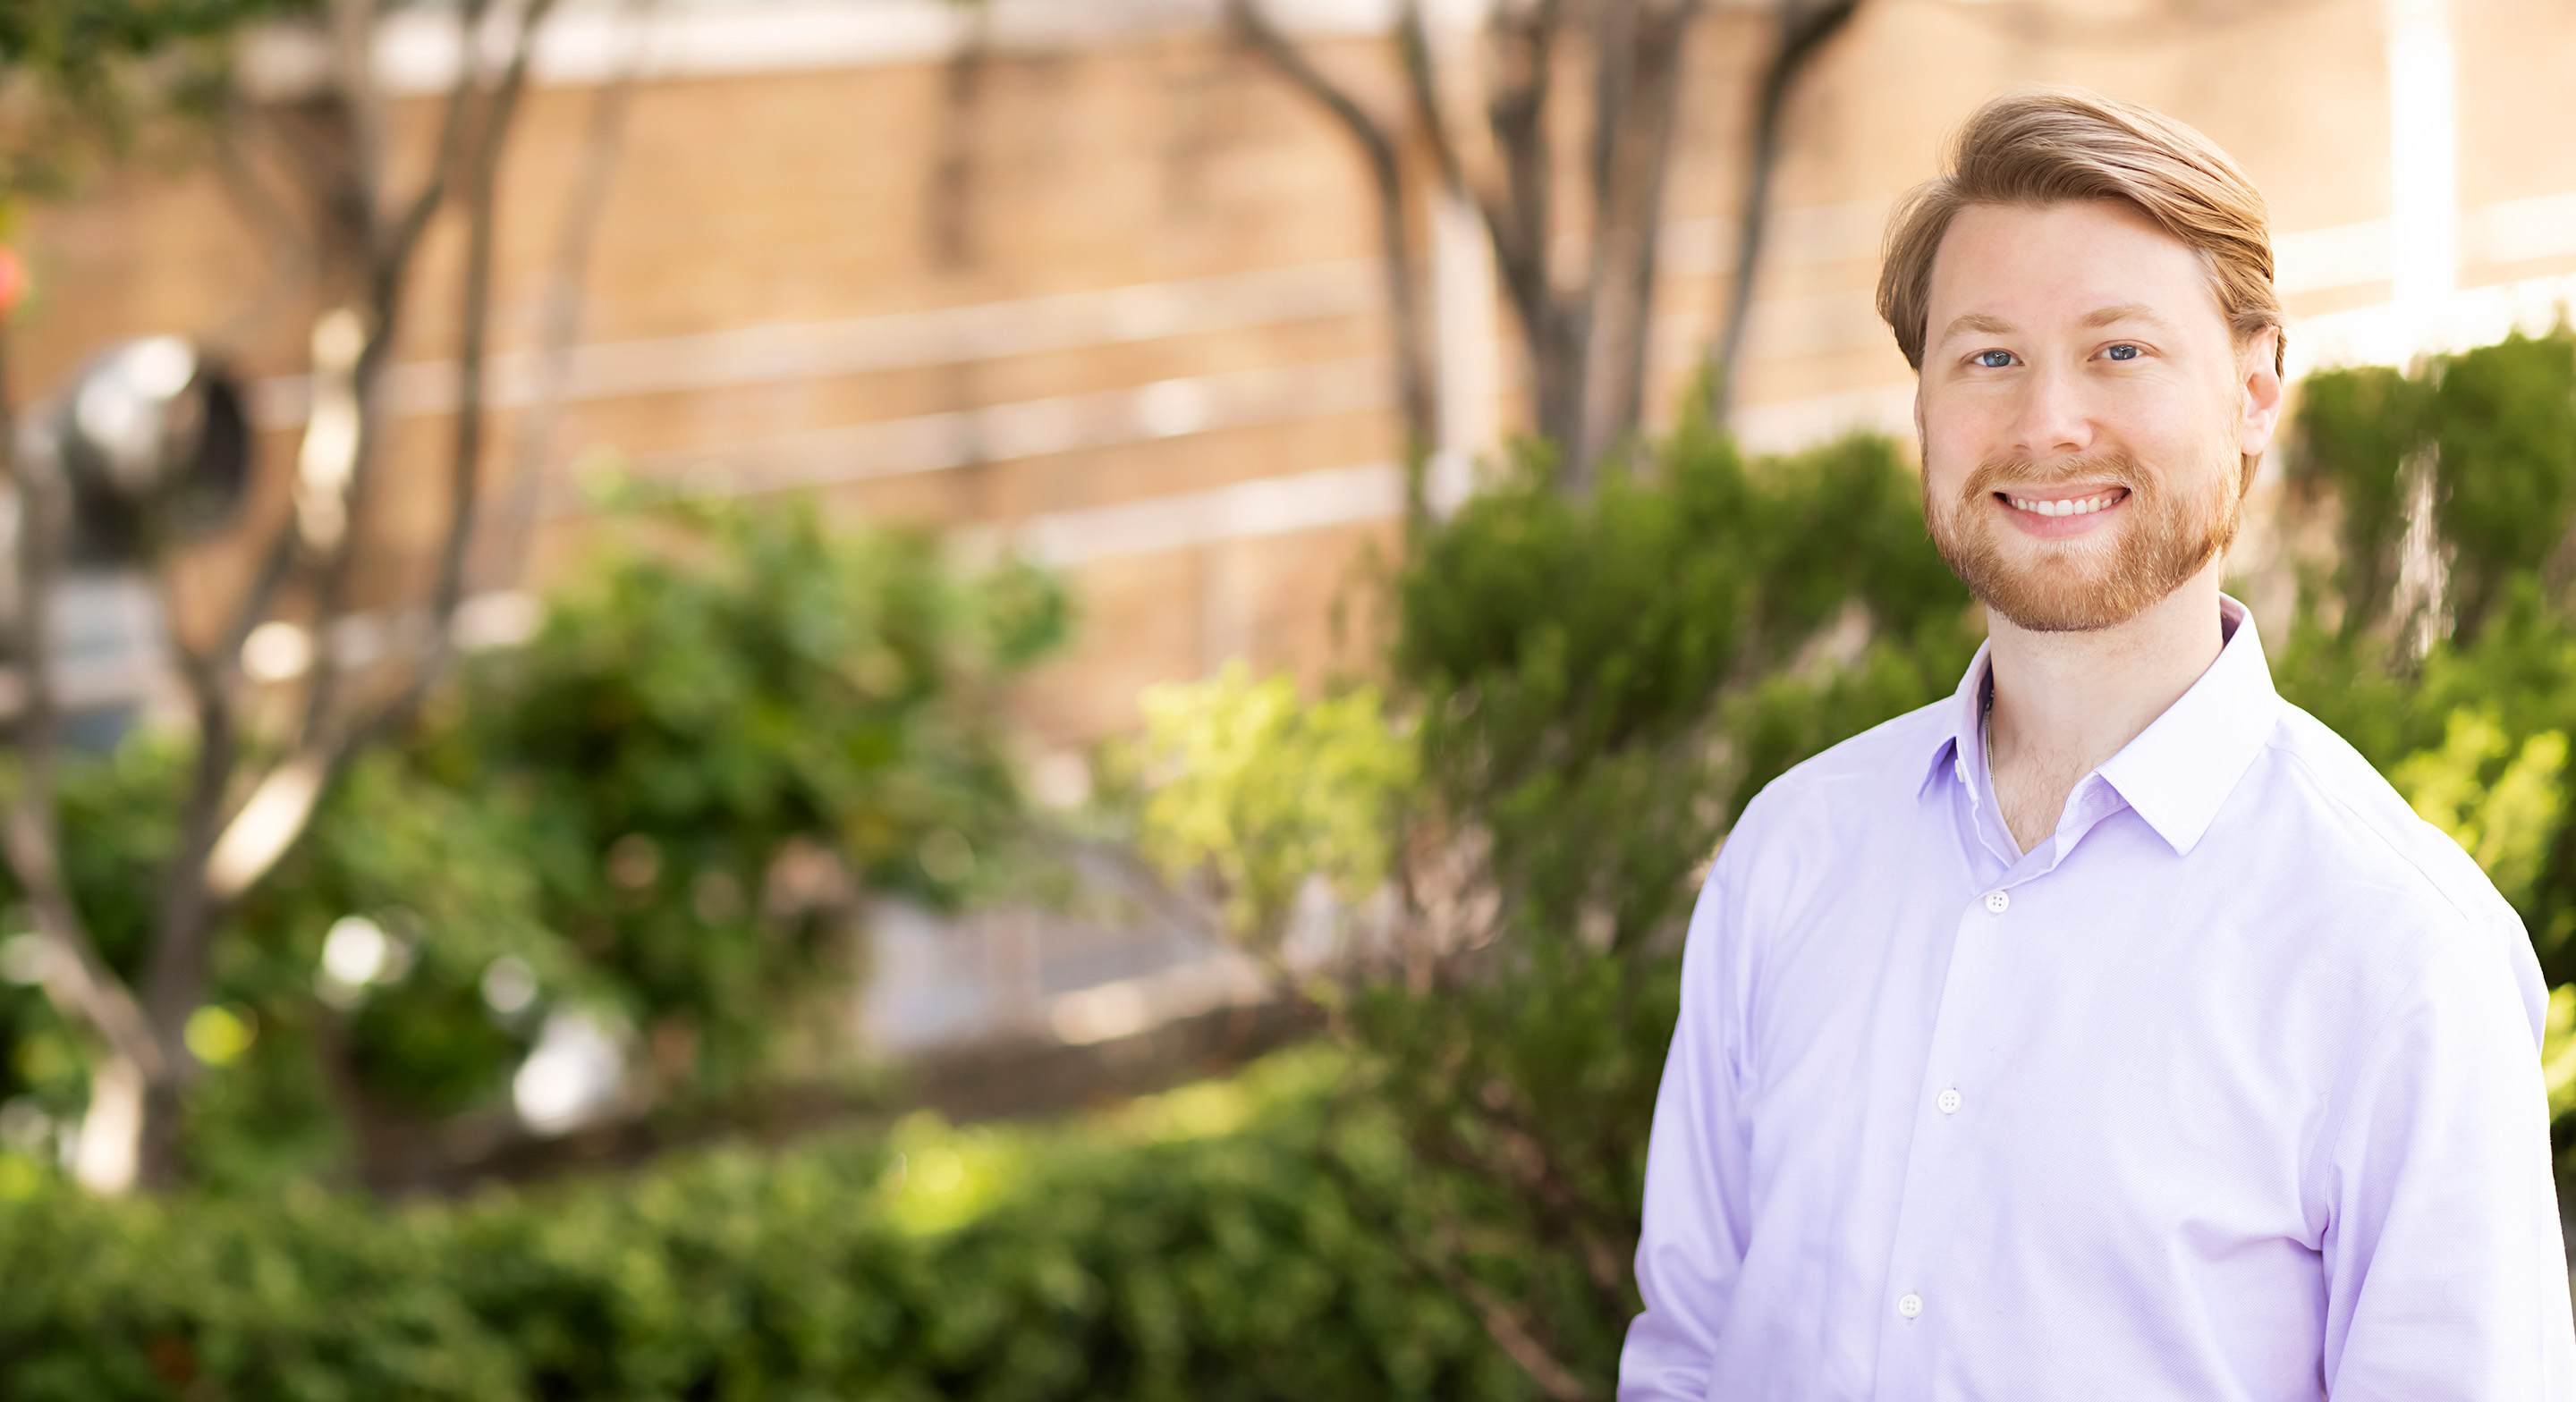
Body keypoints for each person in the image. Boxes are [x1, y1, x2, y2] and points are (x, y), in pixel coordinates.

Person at [1618, 88, 2576, 1399]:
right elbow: (1687, 1355)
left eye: (2119, 350)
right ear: (1922, 404)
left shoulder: (2400, 953)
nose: (2046, 424)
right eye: (1988, 358)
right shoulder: (1791, 855)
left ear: (2254, 390)